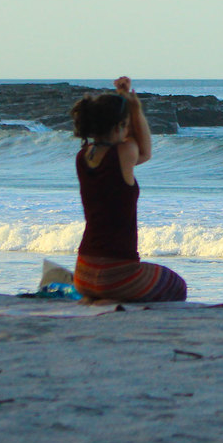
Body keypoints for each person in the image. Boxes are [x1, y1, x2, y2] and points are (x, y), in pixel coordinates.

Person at [71, 76, 187, 303]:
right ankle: (111, 297)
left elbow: (132, 143)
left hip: (82, 273)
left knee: (142, 276)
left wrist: (124, 105)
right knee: (176, 284)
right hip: (116, 276)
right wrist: (134, 106)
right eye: (123, 124)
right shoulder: (122, 153)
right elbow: (144, 150)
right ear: (118, 127)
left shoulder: (82, 156)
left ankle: (96, 297)